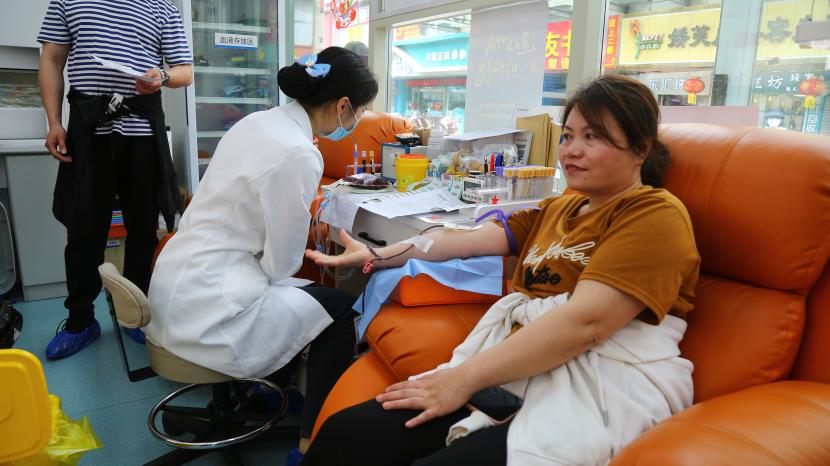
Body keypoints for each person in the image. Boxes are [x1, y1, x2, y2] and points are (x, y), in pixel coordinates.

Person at [302, 74, 701, 466]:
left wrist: (461, 380)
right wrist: (376, 254)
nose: (572, 151)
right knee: (346, 434)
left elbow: (587, 324)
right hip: (519, 371)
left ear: (640, 149)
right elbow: (461, 241)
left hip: (593, 385)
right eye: (567, 136)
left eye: (592, 137)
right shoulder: (559, 208)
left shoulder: (654, 215)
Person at [146, 47, 378, 465]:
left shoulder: (258, 122)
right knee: (339, 310)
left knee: (302, 299)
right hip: (209, 304)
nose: (357, 121)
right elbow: (280, 267)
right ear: (342, 105)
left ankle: (264, 393)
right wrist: (309, 237)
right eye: (360, 111)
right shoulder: (300, 152)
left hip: (174, 282)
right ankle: (311, 443)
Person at [38, 0, 194, 360]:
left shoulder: (163, 7)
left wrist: (162, 77)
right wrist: (53, 122)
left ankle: (136, 315)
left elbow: (185, 71)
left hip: (143, 129)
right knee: (82, 227)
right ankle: (80, 320)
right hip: (87, 126)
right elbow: (52, 59)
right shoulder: (67, 1)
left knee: (143, 228)